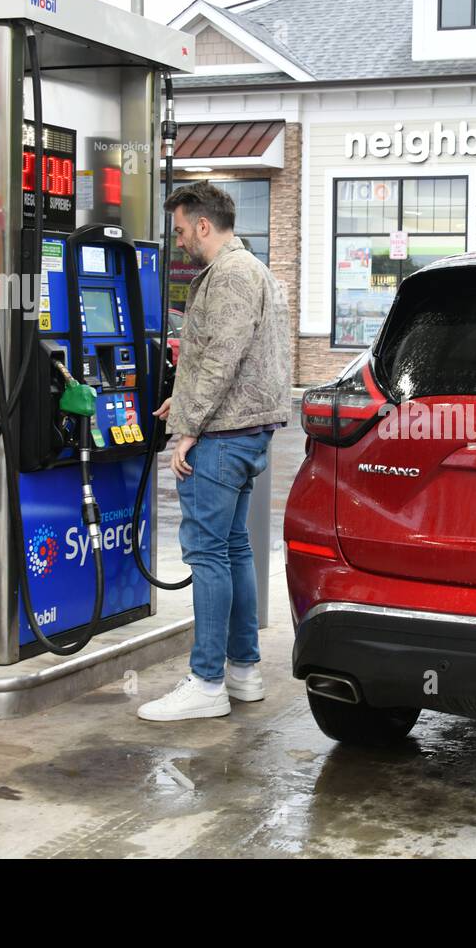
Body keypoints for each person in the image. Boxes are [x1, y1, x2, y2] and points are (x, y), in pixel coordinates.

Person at [138, 183, 290, 722]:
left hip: (223, 435)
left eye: (180, 230)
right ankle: (243, 672)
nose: (178, 241)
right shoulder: (253, 268)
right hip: (248, 430)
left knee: (206, 557)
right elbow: (231, 356)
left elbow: (222, 358)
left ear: (203, 225)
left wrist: (189, 428)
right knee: (233, 551)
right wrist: (178, 400)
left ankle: (205, 682)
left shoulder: (228, 274)